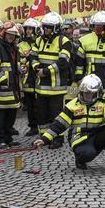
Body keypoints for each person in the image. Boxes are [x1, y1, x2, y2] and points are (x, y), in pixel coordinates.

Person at [34, 74, 105, 174]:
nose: (87, 95)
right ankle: (80, 159)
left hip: (96, 135)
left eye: (90, 93)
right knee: (87, 154)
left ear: (97, 93)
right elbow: (59, 124)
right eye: (85, 93)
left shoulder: (103, 103)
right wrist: (44, 139)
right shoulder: (72, 105)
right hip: (80, 138)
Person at [30, 12, 72, 149]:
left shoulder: (64, 41)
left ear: (56, 28)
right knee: (41, 114)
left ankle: (58, 139)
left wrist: (45, 71)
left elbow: (63, 62)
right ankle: (44, 138)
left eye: (48, 27)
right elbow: (33, 56)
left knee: (56, 115)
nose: (46, 29)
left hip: (56, 87)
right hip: (41, 86)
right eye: (45, 26)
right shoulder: (39, 40)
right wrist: (37, 68)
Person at [0, 22, 23, 149]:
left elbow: (14, 65)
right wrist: (3, 80)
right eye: (9, 34)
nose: (11, 37)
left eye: (13, 35)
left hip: (13, 90)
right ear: (3, 34)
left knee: (11, 117)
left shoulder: (15, 49)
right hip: (2, 91)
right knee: (0, 118)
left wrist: (20, 70)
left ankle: (8, 138)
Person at [20, 18, 41, 137]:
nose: (28, 31)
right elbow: (19, 59)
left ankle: (43, 126)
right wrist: (24, 60)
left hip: (39, 76)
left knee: (41, 105)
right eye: (27, 28)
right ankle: (33, 127)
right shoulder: (21, 44)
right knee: (30, 104)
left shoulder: (40, 41)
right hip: (27, 78)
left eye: (31, 29)